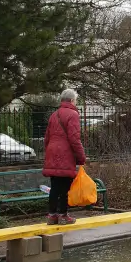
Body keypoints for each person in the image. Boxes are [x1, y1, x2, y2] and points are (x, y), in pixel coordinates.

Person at [43, 89, 87, 225]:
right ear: (72, 100)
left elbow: (46, 138)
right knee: (65, 187)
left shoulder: (54, 115)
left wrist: (50, 152)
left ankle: (52, 215)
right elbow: (74, 139)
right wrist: (81, 157)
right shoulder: (73, 114)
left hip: (52, 151)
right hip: (66, 153)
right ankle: (63, 214)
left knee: (55, 185)